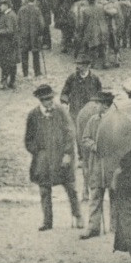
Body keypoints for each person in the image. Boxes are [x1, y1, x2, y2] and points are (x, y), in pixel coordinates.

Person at [25, 84, 82, 231]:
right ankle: (47, 221)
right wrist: (38, 153)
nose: (49, 102)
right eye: (45, 100)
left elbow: (70, 133)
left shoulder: (61, 112)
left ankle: (78, 216)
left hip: (61, 157)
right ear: (40, 100)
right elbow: (28, 139)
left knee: (70, 188)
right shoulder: (33, 115)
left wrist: (68, 153)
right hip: (43, 160)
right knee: (44, 190)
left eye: (50, 98)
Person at [76, 88, 114, 239]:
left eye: (98, 103)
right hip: (97, 165)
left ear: (105, 105)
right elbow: (85, 139)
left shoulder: (116, 120)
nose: (95, 106)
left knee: (115, 196)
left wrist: (111, 146)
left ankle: (115, 228)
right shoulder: (93, 120)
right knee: (95, 196)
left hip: (112, 165)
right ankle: (93, 227)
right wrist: (94, 146)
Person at [18, 0, 48, 79]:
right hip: (35, 36)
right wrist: (41, 34)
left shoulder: (21, 10)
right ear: (35, 0)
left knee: (24, 54)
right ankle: (37, 73)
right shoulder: (37, 10)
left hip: (24, 35)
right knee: (36, 54)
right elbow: (42, 24)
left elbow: (18, 22)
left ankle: (25, 74)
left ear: (27, 0)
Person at [0, 0, 21, 90]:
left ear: (6, 6)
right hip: (11, 43)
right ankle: (12, 82)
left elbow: (10, 30)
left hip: (7, 43)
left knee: (5, 63)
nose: (0, 7)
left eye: (1, 5)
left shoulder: (8, 16)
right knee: (12, 63)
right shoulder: (11, 14)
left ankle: (5, 83)